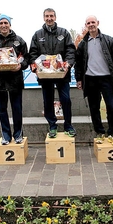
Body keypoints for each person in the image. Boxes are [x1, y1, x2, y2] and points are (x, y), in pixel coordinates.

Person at [75, 15, 113, 146]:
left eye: (93, 22)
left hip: (107, 79)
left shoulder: (109, 40)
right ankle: (100, 132)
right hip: (90, 79)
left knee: (111, 107)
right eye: (88, 23)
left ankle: (112, 133)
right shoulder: (83, 44)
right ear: (86, 25)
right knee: (94, 108)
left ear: (98, 23)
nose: (91, 25)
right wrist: (79, 78)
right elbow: (78, 62)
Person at [0, 14, 29, 145]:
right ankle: (6, 136)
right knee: (2, 110)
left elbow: (26, 58)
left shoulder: (19, 41)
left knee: (17, 109)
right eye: (1, 23)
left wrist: (20, 66)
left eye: (6, 23)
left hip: (15, 80)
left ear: (10, 25)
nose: (3, 25)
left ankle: (18, 134)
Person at [29, 8, 76, 138]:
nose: (49, 18)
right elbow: (32, 53)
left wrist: (68, 65)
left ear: (55, 17)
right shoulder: (37, 35)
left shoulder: (64, 33)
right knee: (47, 101)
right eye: (47, 16)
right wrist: (35, 68)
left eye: (51, 16)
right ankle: (52, 126)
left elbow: (70, 51)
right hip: (45, 75)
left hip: (62, 73)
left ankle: (68, 125)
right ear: (43, 18)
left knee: (66, 99)